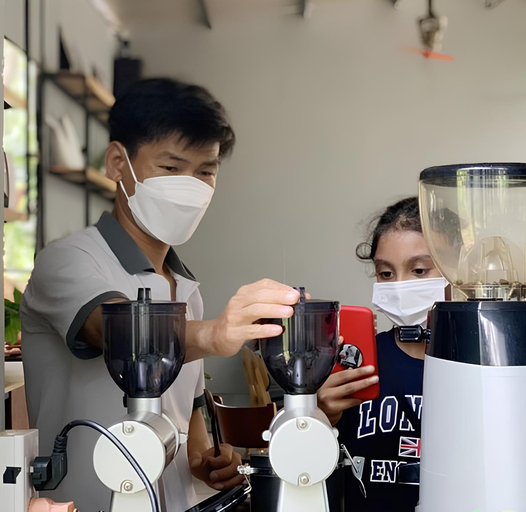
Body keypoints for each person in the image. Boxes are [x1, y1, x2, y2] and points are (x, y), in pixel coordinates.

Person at [21, 78, 300, 512]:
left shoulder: (186, 290)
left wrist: (204, 460)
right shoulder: (67, 260)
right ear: (118, 163)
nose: (189, 187)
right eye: (170, 169)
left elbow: (184, 409)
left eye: (205, 171)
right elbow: (118, 334)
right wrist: (213, 335)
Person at [318, 197, 447, 512]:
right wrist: (321, 417)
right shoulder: (356, 362)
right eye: (386, 274)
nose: (400, 286)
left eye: (418, 270)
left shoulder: (480, 367)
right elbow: (314, 470)